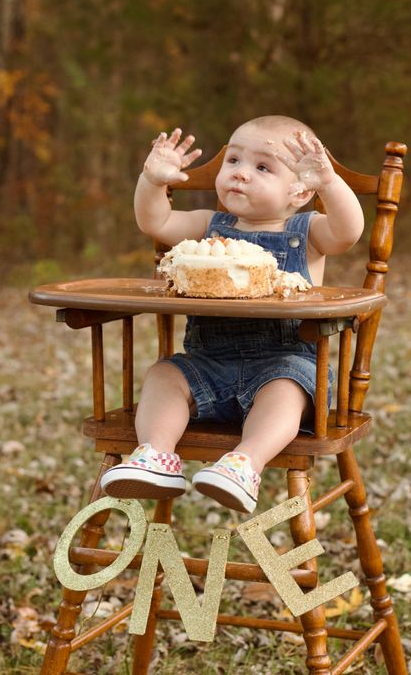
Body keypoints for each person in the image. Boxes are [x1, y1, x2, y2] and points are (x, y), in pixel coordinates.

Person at [101, 115, 364, 512]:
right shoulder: (208, 224)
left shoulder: (308, 232)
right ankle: (156, 454)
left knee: (287, 389)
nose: (240, 174)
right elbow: (154, 221)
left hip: (284, 363)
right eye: (234, 161)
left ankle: (244, 464)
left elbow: (350, 231)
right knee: (164, 375)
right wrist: (152, 181)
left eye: (262, 167)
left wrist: (328, 183)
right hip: (208, 365)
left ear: (299, 191)